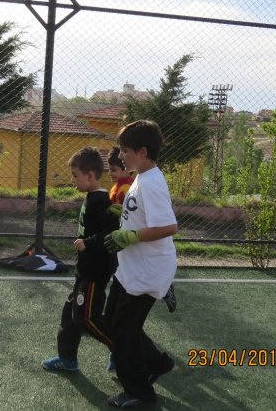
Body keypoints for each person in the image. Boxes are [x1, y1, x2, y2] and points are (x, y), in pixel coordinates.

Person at [103, 120, 177, 408]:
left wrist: (130, 235)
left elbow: (168, 227)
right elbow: (145, 215)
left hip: (147, 270)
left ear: (143, 152)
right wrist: (125, 215)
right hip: (131, 267)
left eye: (125, 150)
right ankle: (157, 363)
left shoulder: (152, 183)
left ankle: (138, 391)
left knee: (123, 332)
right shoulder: (141, 177)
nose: (120, 156)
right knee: (114, 322)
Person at [42, 147, 119, 372]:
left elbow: (111, 232)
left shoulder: (102, 201)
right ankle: (67, 359)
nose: (72, 180)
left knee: (87, 318)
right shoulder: (91, 197)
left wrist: (89, 242)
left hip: (95, 272)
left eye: (75, 175)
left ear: (90, 175)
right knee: (70, 315)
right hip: (84, 270)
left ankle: (122, 348)